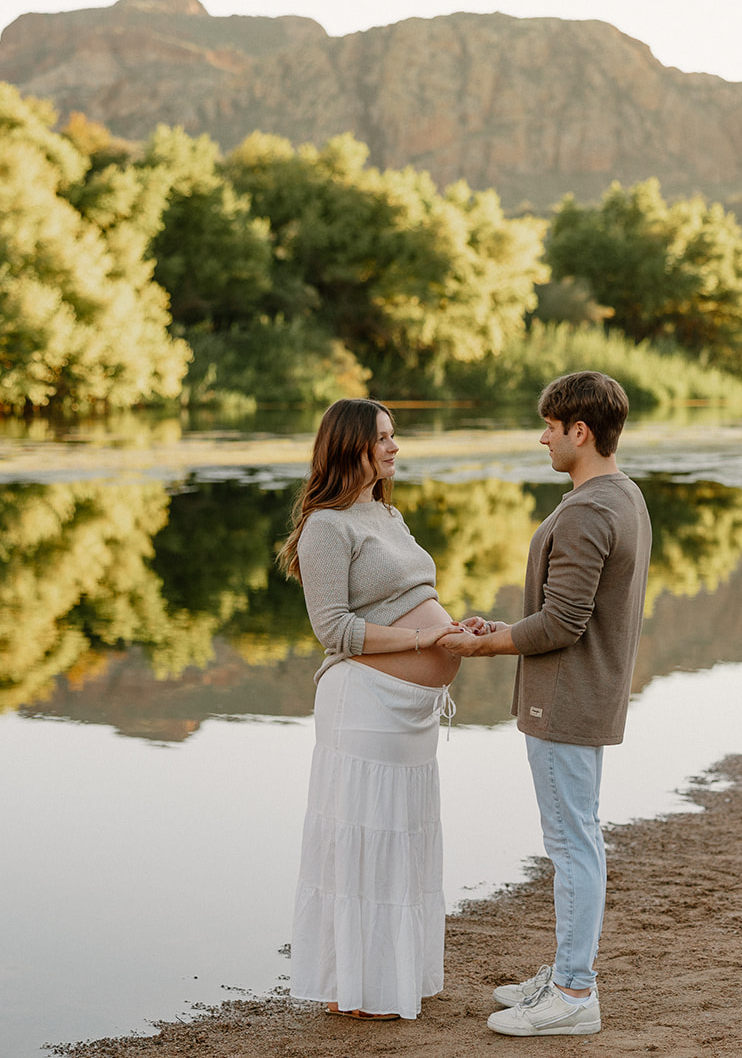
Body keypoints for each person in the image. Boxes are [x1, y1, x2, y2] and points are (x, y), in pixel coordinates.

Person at [440, 371, 651, 1037]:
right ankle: (564, 969)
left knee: (571, 843)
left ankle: (573, 990)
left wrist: (489, 643)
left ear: (578, 431)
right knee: (574, 838)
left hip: (565, 702)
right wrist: (501, 628)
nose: (543, 437)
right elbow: (568, 610)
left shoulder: (590, 508)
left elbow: (562, 622)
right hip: (580, 696)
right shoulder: (623, 493)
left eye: (550, 427)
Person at [278, 397, 465, 1022]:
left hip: (409, 714)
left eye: (393, 436)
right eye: (380, 438)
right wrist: (423, 640)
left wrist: (453, 627)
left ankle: (388, 982)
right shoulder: (327, 527)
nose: (393, 448)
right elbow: (333, 628)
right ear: (347, 446)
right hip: (363, 703)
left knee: (401, 839)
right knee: (362, 841)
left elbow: (414, 594)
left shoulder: (388, 513)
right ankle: (350, 989)